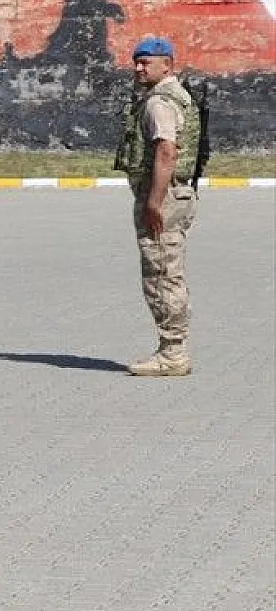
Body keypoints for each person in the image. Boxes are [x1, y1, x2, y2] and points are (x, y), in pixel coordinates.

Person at [113, 36, 200, 378]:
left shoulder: (158, 103)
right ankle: (172, 348)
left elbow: (167, 151)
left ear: (168, 64)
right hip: (179, 196)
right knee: (167, 270)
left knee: (162, 273)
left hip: (164, 198)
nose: (138, 67)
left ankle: (172, 354)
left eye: (146, 61)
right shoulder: (178, 97)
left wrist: (153, 202)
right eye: (136, 61)